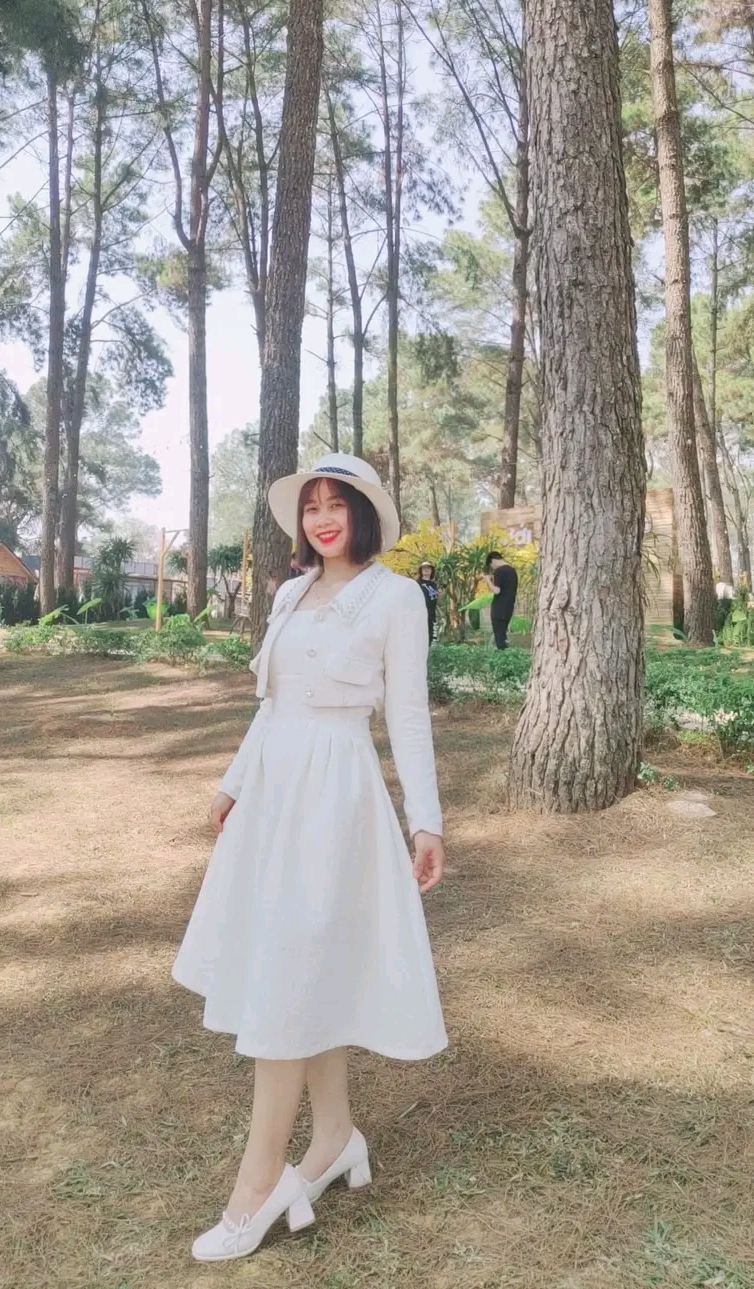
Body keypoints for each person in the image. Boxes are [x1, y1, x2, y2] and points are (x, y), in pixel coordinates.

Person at [173, 452, 447, 1263]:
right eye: (311, 506)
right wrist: (232, 783)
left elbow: (407, 714)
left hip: (335, 795)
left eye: (337, 504)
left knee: (288, 978)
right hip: (273, 796)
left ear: (363, 513)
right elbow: (271, 706)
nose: (322, 518)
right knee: (300, 968)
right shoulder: (291, 592)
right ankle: (334, 1137)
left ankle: (259, 1184)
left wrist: (425, 821)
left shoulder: (394, 597)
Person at [484, 549, 517, 650]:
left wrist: (488, 581)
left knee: (499, 638)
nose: (492, 568)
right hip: (508, 608)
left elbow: (497, 590)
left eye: (491, 565)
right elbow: (506, 587)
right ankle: (506, 654)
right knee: (503, 636)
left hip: (499, 609)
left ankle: (503, 654)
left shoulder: (499, 571)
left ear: (492, 560)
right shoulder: (512, 570)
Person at [415, 561, 439, 644]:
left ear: (432, 571)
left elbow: (433, 598)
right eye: (424, 568)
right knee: (420, 636)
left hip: (432, 614)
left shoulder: (433, 584)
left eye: (428, 568)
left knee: (432, 637)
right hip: (420, 614)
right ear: (421, 571)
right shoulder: (416, 583)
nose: (426, 570)